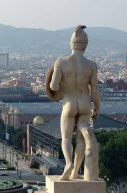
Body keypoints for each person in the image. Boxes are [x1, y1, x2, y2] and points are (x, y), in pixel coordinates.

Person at [47, 25, 100, 181]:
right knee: (81, 139)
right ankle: (76, 171)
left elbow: (53, 86)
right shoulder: (91, 65)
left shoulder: (61, 62)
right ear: (85, 45)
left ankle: (68, 163)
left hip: (69, 103)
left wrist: (58, 83)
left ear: (71, 43)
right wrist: (97, 107)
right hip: (84, 104)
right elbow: (95, 90)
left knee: (66, 138)